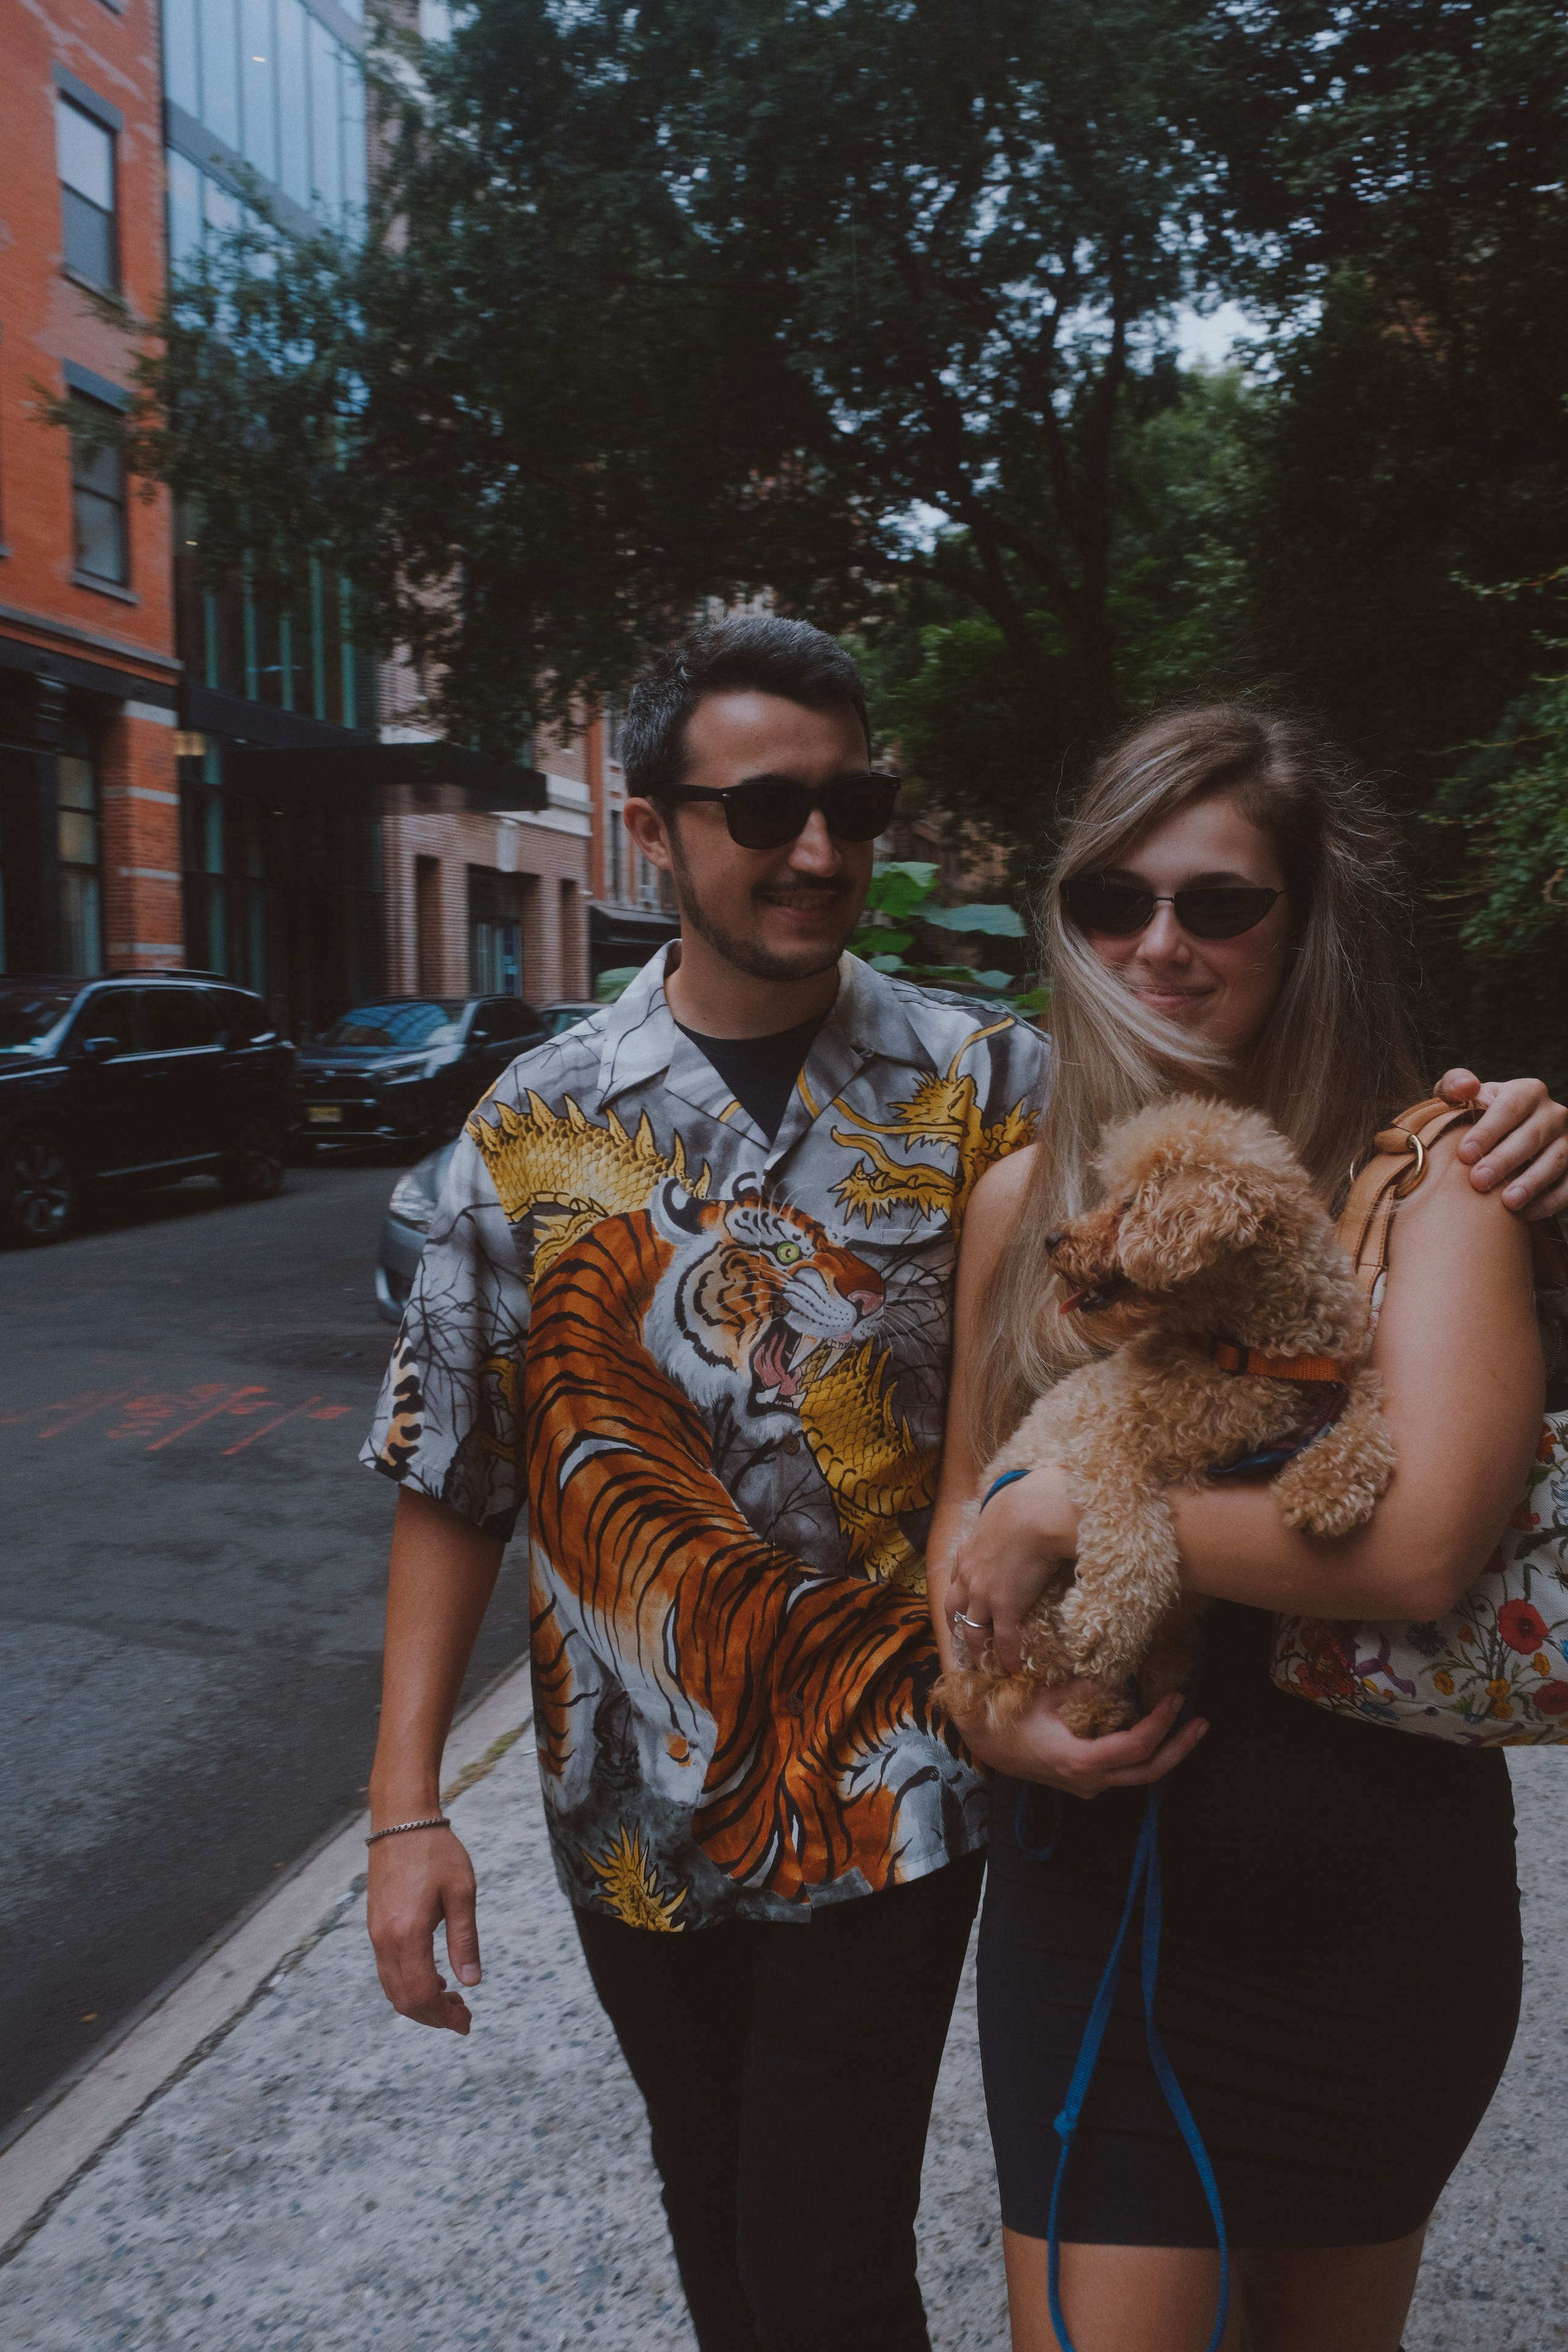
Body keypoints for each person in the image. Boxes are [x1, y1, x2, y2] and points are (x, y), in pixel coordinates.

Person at [360, 640, 1566, 2352]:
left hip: (897, 1784)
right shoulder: (537, 1121)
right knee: (721, 2222)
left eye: (853, 803)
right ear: (650, 830)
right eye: (764, 809)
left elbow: (1232, 1144)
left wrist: (1500, 1123)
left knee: (823, 2254)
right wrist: (405, 1809)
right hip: (644, 1781)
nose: (817, 846)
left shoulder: (986, 1082)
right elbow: (454, 1462)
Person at [932, 704, 1568, 2352]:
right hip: (1089, 1895)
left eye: (1218, 902)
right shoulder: (1019, 1204)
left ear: (1303, 922)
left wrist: (1084, 1504)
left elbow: (1420, 1549)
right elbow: (962, 1542)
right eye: (1115, 900)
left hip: (1368, 1911)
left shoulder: (1431, 1182)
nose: (1162, 944)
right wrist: (990, 1717)